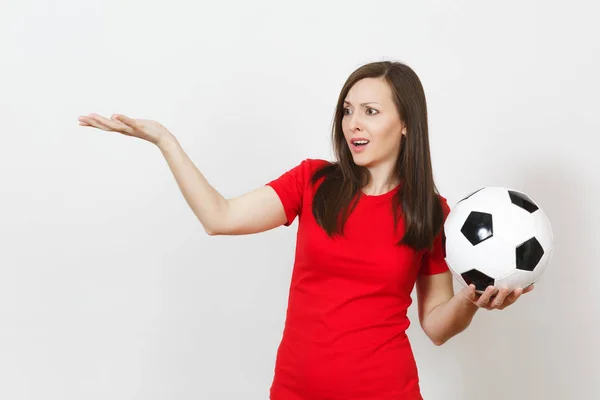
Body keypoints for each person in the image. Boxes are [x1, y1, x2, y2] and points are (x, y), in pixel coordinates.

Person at [78, 60, 533, 400]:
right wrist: (166, 142)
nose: (353, 122)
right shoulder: (313, 182)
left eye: (371, 111)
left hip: (385, 390)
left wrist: (470, 300)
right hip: (296, 389)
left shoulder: (431, 212)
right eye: (348, 110)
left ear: (407, 124)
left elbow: (435, 326)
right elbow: (219, 217)